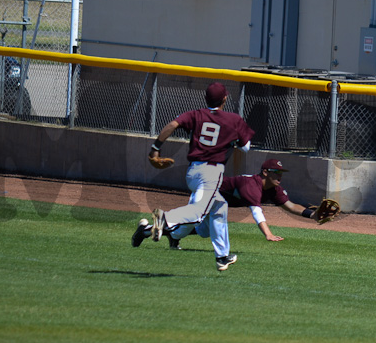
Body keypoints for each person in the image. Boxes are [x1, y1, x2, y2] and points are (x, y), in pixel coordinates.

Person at [132, 82, 255, 271]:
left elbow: (172, 124)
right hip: (211, 173)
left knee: (219, 208)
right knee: (198, 214)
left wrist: (155, 148)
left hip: (193, 172)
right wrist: (233, 140)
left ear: (206, 99)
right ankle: (164, 218)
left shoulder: (196, 114)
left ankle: (221, 256)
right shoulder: (233, 119)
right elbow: (246, 147)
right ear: (224, 99)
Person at [134, 158, 318, 248]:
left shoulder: (274, 188)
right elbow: (257, 213)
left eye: (281, 173)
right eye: (275, 172)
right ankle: (148, 228)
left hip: (216, 202)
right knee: (193, 221)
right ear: (265, 173)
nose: (279, 176)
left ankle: (165, 233)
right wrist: (268, 234)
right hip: (206, 191)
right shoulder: (251, 185)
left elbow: (291, 206)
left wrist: (314, 215)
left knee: (204, 231)